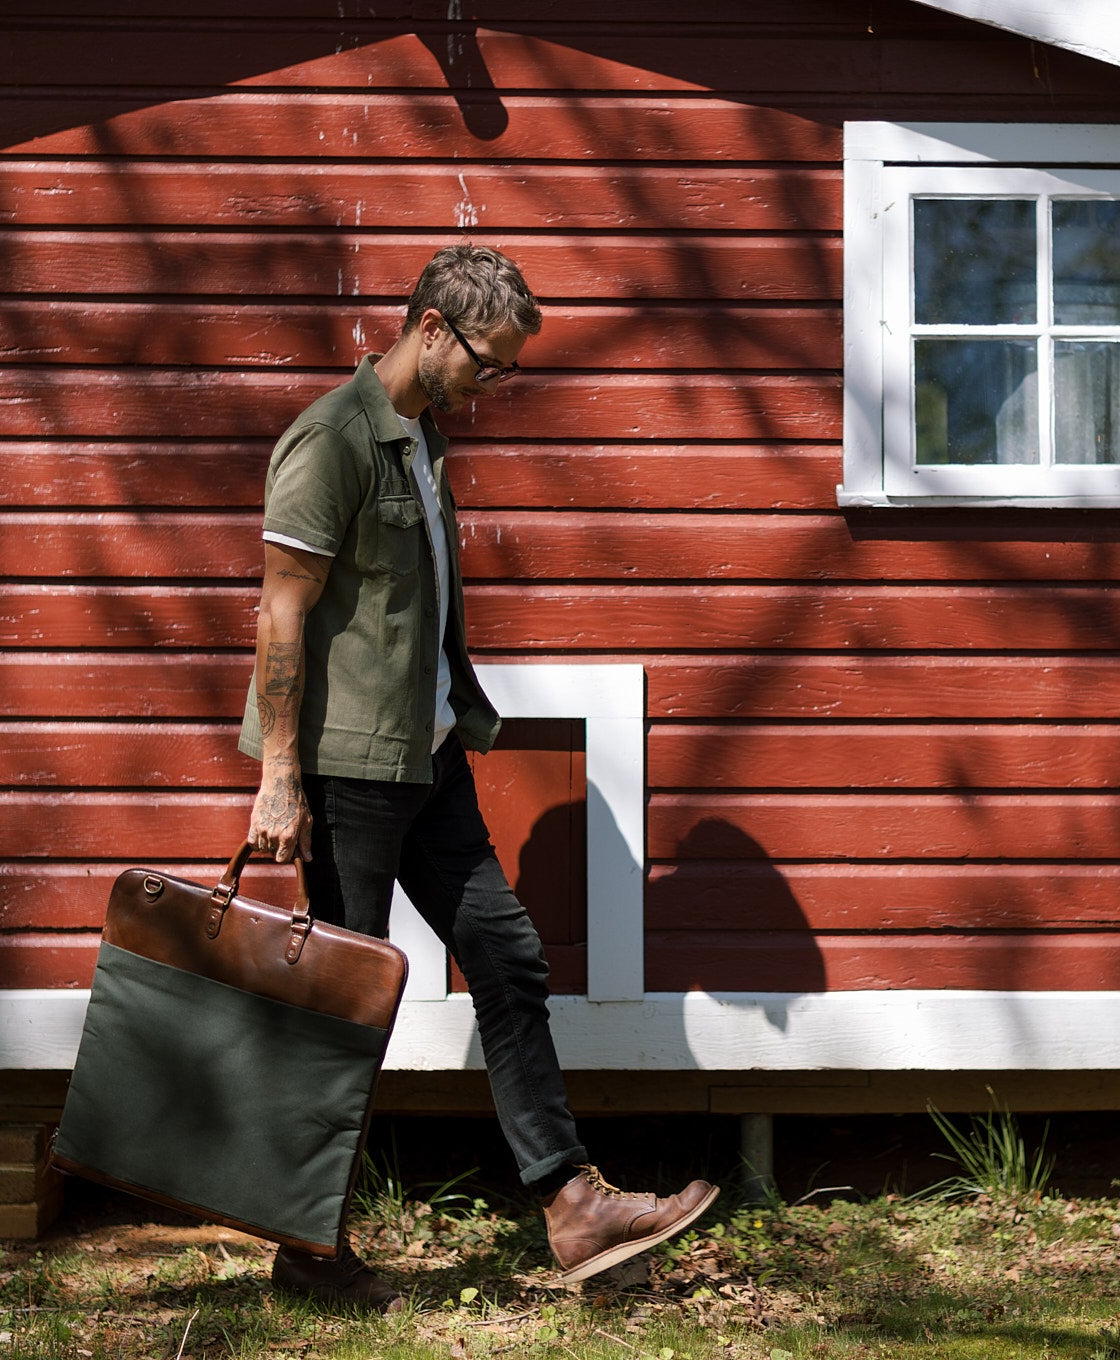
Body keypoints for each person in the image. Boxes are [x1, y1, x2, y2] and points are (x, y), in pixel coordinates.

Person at [239, 244, 717, 1309]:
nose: (494, 382)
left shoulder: (424, 439)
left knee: (507, 959)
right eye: (488, 362)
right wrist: (280, 777)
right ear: (433, 328)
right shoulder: (331, 441)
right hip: (348, 768)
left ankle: (572, 1204)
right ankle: (309, 1248)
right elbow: (281, 609)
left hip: (430, 755)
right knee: (347, 1007)